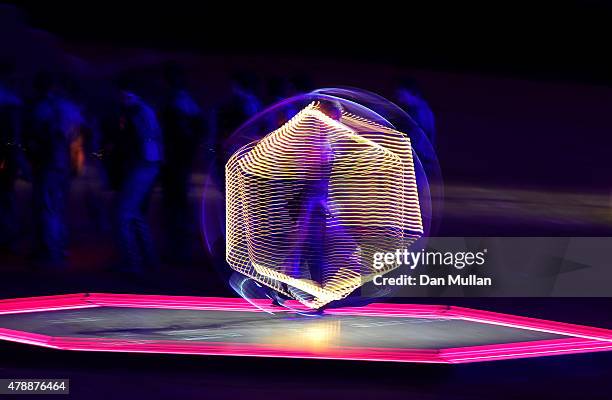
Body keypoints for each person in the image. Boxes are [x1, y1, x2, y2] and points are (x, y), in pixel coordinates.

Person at [24, 71, 84, 265]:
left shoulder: (42, 107)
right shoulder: (68, 107)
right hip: (63, 163)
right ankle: (59, 248)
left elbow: (39, 136)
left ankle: (51, 253)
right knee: (58, 207)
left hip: (48, 163)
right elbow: (79, 132)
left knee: (48, 207)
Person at [113, 75, 164, 271]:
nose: (120, 97)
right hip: (147, 166)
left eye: (123, 93)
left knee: (122, 214)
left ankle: (132, 263)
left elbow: (145, 141)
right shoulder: (142, 111)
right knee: (134, 213)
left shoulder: (138, 112)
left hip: (142, 166)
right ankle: (148, 260)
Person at [160, 62, 205, 264]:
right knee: (176, 201)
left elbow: (191, 129)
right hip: (177, 158)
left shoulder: (178, 101)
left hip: (176, 158)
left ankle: (180, 247)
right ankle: (178, 245)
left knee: (176, 201)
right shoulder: (184, 101)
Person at [0, 60, 24, 252]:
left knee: (6, 195)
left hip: (6, 154)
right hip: (7, 154)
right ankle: (9, 236)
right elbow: (14, 135)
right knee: (7, 196)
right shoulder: (12, 101)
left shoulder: (10, 100)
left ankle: (8, 236)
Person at [395, 77, 436, 146]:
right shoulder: (412, 109)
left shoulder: (421, 111)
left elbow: (418, 137)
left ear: (411, 91)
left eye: (400, 93)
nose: (397, 95)